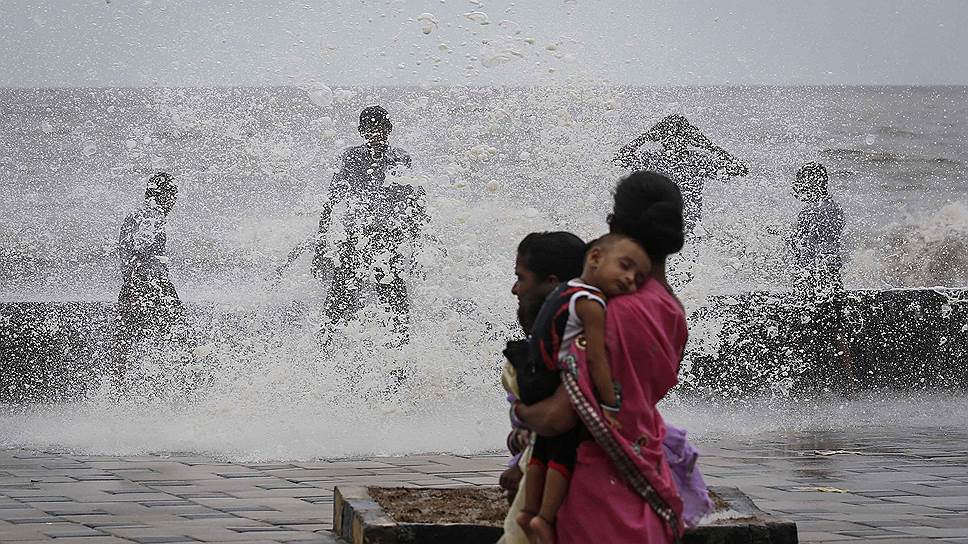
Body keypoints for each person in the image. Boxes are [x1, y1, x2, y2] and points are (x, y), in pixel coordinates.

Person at [515, 171, 692, 543]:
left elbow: (558, 416)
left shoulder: (609, 313)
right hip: (649, 473)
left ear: (613, 227)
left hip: (594, 489)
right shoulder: (672, 311)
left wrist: (522, 415)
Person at [514, 234, 652, 543]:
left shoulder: (562, 291)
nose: (629, 280)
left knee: (542, 450)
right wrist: (610, 403)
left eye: (637, 276)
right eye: (625, 268)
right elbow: (596, 357)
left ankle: (528, 510)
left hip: (535, 375)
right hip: (559, 382)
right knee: (562, 453)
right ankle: (545, 517)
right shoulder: (591, 301)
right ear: (594, 259)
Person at [314, 105, 427, 346]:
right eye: (370, 129)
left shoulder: (401, 159)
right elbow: (331, 202)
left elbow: (413, 205)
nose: (376, 134)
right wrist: (320, 246)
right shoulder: (351, 158)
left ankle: (399, 365)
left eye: (381, 128)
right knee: (336, 308)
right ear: (361, 131)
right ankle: (322, 357)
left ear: (389, 130)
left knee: (397, 314)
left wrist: (417, 250)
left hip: (389, 242)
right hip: (355, 241)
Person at [499, 231, 586, 544]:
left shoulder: (576, 347)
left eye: (521, 278)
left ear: (552, 282)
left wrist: (521, 413)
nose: (514, 289)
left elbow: (554, 420)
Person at [614, 114, 748, 237]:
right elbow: (739, 169)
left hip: (665, 230)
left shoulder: (654, 160)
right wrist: (707, 145)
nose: (675, 140)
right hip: (684, 231)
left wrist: (646, 137)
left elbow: (741, 170)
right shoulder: (695, 161)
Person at [789, 161, 851, 385]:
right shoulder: (835, 208)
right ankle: (849, 383)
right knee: (836, 331)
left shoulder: (809, 211)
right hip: (831, 275)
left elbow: (801, 246)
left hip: (810, 277)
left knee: (799, 329)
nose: (797, 186)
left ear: (812, 182)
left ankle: (793, 380)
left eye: (801, 181)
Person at [115, 172, 183, 368]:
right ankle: (194, 386)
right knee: (181, 335)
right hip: (151, 286)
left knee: (125, 347)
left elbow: (129, 255)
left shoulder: (135, 215)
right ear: (165, 195)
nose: (174, 201)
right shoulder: (151, 218)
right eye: (173, 195)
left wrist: (131, 287)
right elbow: (139, 253)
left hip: (132, 287)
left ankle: (116, 393)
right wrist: (142, 288)